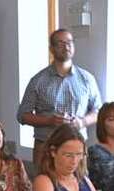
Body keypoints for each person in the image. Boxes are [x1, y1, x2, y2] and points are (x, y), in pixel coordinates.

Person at [18, 29, 102, 169]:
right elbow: (22, 115)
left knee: (78, 182)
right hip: (46, 146)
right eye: (61, 43)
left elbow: (98, 110)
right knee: (44, 181)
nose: (66, 46)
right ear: (52, 48)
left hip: (76, 146)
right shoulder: (38, 80)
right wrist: (49, 120)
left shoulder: (87, 79)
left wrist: (82, 122)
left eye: (69, 42)